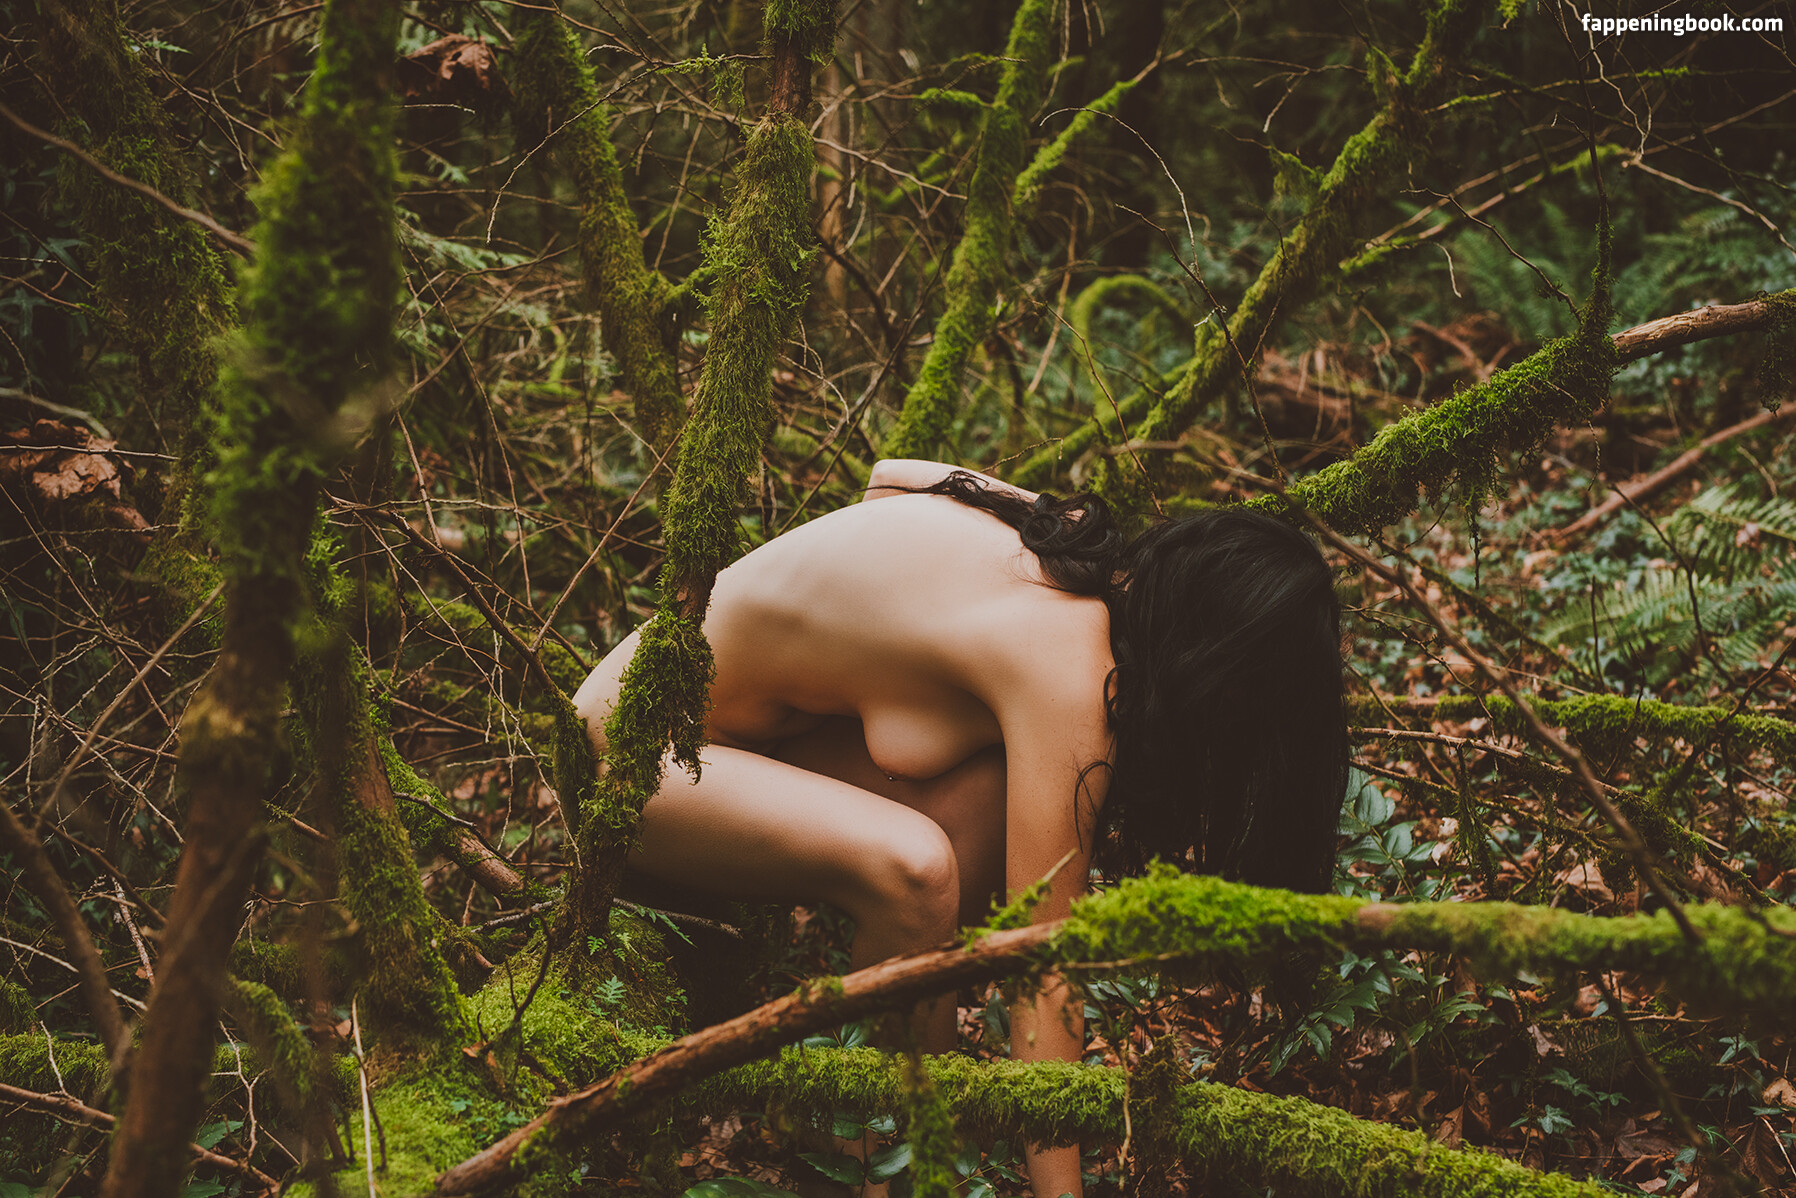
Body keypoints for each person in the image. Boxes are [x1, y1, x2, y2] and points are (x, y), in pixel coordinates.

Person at [572, 458, 1349, 1198]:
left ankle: (873, 1125)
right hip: (628, 753)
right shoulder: (1074, 668)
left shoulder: (1060, 537)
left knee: (985, 799)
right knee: (917, 871)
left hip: (724, 742)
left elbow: (891, 477)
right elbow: (1042, 974)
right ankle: (898, 1167)